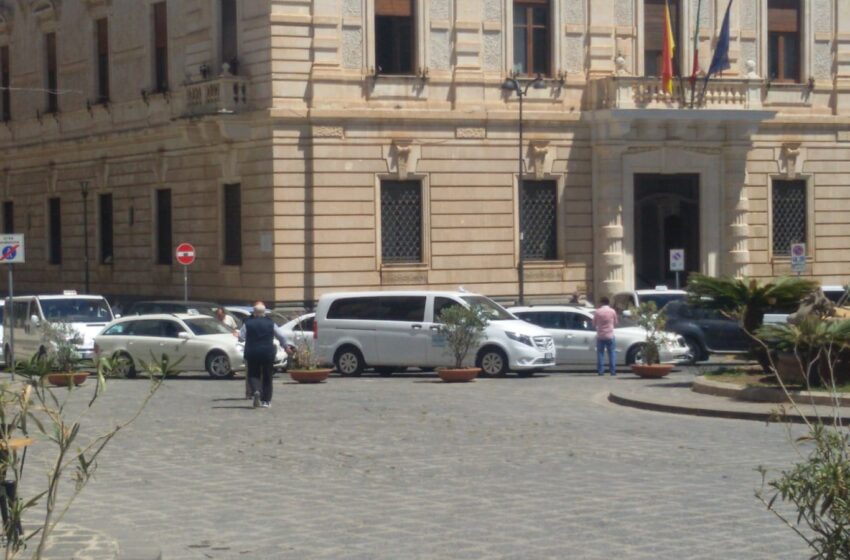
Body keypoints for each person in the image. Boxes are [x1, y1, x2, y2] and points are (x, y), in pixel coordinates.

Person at [239, 302, 289, 409]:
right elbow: (281, 336)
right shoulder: (271, 323)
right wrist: (286, 346)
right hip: (267, 352)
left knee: (253, 374)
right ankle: (266, 401)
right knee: (267, 376)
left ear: (254, 313)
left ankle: (256, 390)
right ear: (264, 312)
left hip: (252, 352)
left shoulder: (248, 323)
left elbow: (241, 337)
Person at [592, 296, 618, 376]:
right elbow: (616, 322)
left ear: (602, 303)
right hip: (610, 335)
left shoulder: (597, 312)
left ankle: (601, 371)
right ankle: (613, 371)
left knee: (600, 353)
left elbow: (594, 323)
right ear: (608, 302)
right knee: (612, 353)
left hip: (600, 335)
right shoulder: (612, 311)